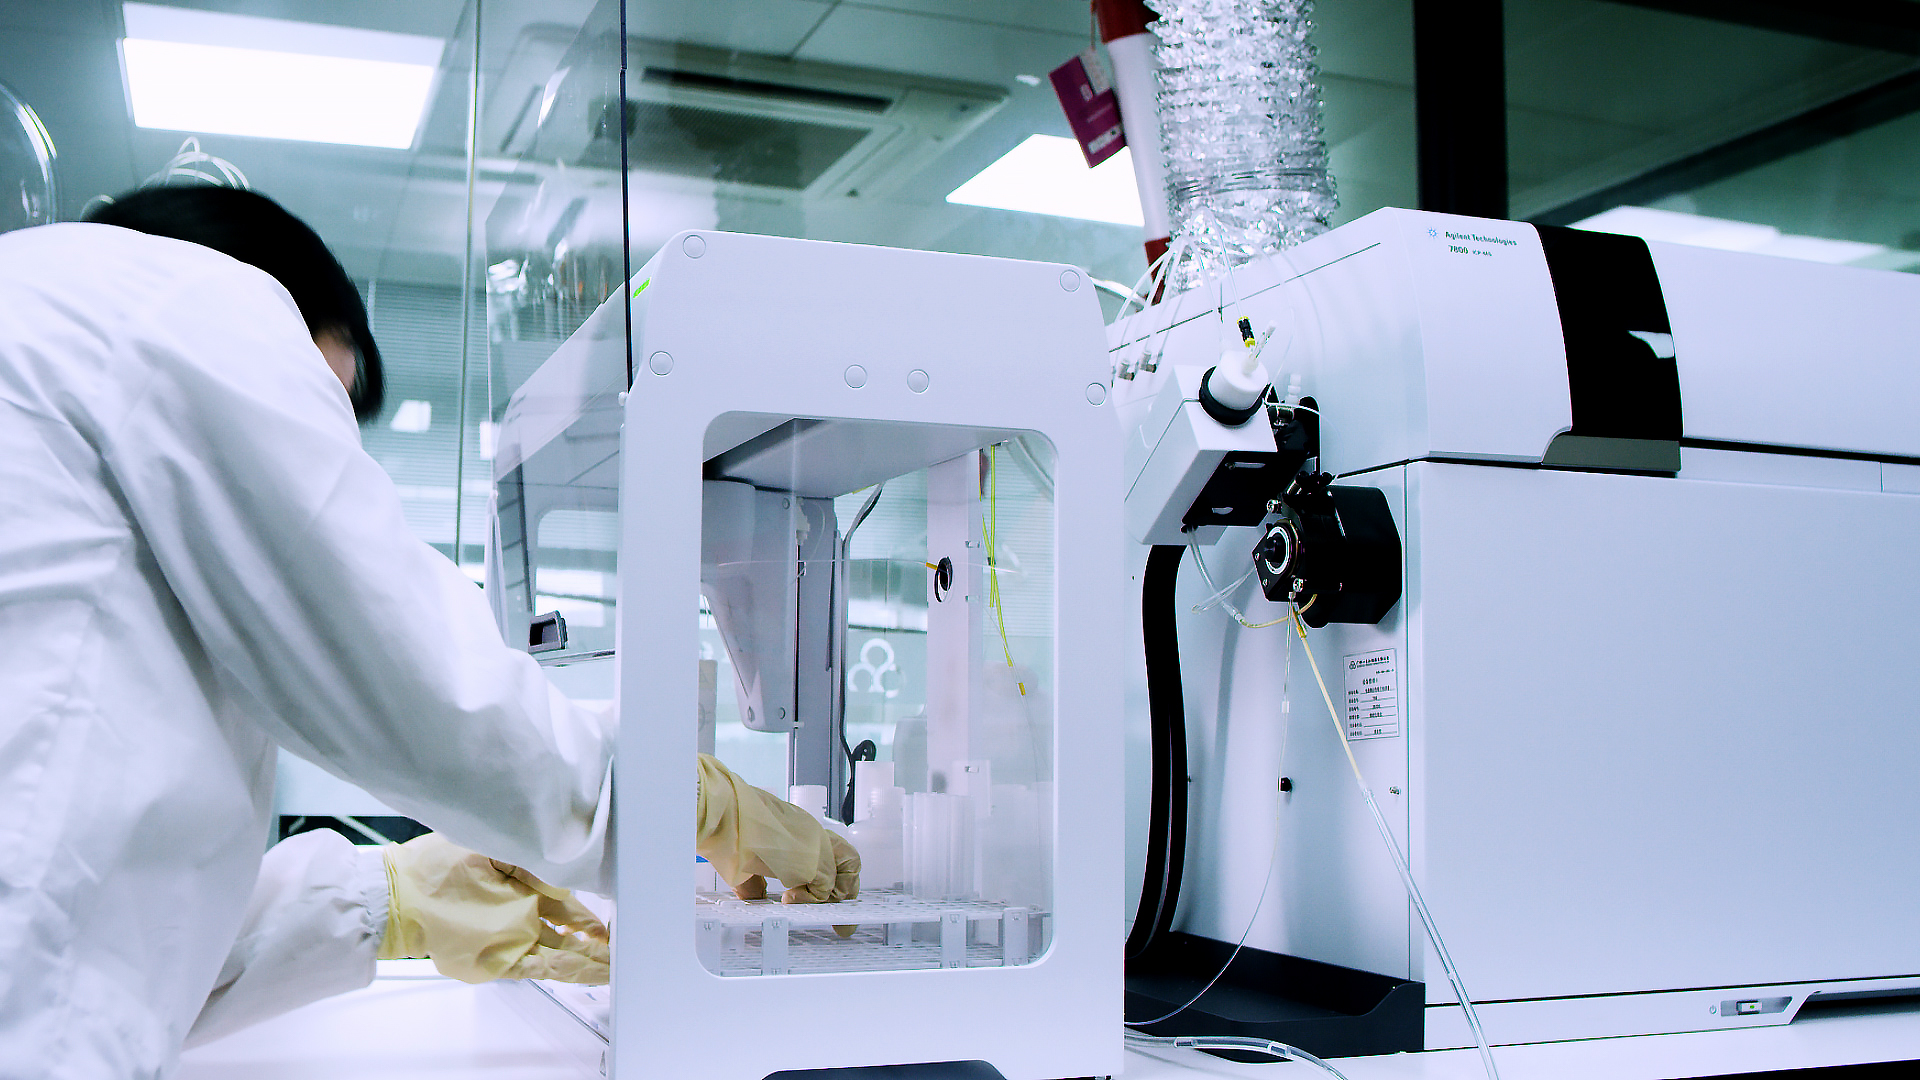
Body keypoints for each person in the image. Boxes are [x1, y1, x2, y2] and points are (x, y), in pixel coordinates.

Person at [0, 187, 856, 1078]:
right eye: (311, 406)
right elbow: (406, 676)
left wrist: (390, 900)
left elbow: (110, 941)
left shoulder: (40, 326)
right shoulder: (185, 297)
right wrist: (676, 800)